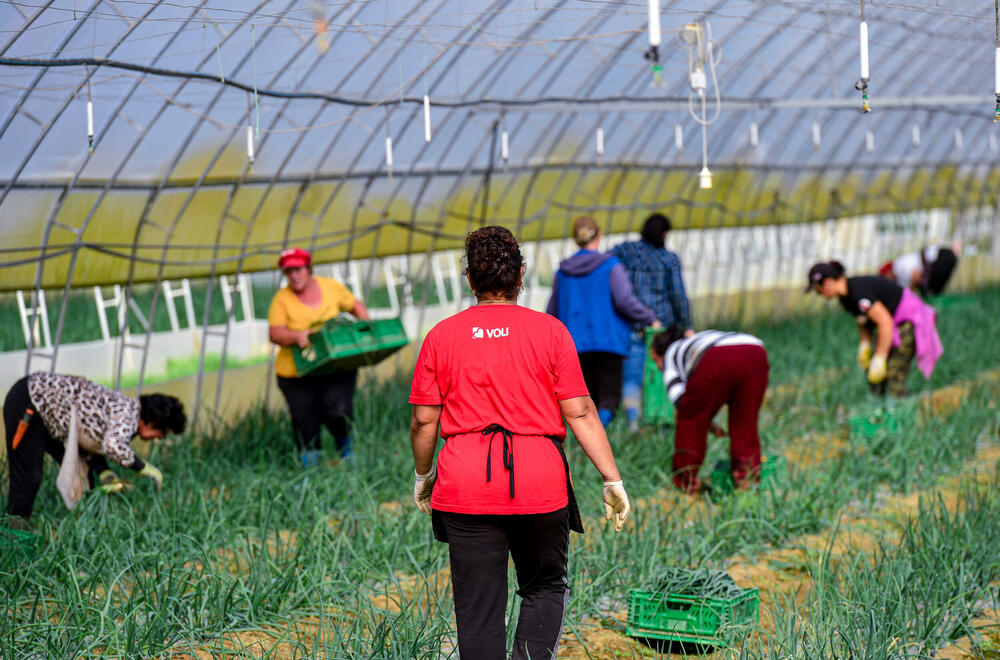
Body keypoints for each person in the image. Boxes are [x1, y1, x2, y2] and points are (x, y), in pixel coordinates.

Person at [409, 226, 631, 660]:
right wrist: (611, 479)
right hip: (539, 481)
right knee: (545, 586)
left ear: (471, 279)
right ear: (521, 276)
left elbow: (423, 419)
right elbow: (581, 411)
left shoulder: (441, 335)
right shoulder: (550, 332)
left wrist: (424, 474)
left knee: (477, 607)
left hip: (464, 484)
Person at [3, 372, 186, 528]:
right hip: (30, 401)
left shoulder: (127, 410)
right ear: (152, 421)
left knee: (84, 478)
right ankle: (16, 540)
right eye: (162, 432)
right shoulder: (128, 415)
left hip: (48, 415)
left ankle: (84, 530)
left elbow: (91, 441)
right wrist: (143, 468)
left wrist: (104, 472)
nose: (160, 438)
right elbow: (113, 445)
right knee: (28, 478)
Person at [546, 216, 659, 428]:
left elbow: (552, 312)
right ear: (599, 235)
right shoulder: (611, 266)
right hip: (609, 344)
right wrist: (650, 318)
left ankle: (583, 444)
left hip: (574, 347)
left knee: (586, 398)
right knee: (609, 398)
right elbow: (625, 301)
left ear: (575, 239)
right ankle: (599, 434)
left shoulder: (563, 272)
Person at [268, 248, 370, 467]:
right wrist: (296, 336)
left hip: (333, 366)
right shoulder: (282, 299)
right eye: (289, 272)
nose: (294, 276)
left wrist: (365, 329)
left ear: (308, 269)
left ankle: (346, 452)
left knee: (337, 410)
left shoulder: (330, 287)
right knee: (305, 418)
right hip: (296, 372)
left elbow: (356, 306)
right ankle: (311, 470)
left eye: (298, 270)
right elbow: (274, 333)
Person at [650, 325, 768, 493]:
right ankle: (747, 481)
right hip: (755, 351)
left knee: (689, 423)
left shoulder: (670, 354)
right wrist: (711, 424)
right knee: (745, 422)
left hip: (716, 356)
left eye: (656, 360)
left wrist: (705, 422)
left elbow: (685, 406)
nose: (659, 366)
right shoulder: (695, 342)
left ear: (662, 352)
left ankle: (686, 482)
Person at [807, 260, 943, 397]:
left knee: (893, 373)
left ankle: (900, 406)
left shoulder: (858, 291)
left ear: (828, 283)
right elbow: (864, 320)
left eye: (818, 291)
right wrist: (865, 345)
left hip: (909, 321)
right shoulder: (846, 298)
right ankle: (881, 407)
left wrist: (880, 356)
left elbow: (885, 322)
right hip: (895, 323)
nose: (820, 295)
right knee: (874, 375)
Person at [610, 213, 693, 431]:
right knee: (663, 376)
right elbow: (678, 295)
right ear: (665, 234)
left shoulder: (627, 252)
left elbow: (604, 260)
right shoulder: (669, 259)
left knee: (632, 378)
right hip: (662, 330)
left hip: (633, 326)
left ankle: (633, 422)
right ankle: (661, 423)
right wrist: (686, 325)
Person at [878, 243, 959, 297]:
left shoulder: (898, 267)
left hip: (941, 256)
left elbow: (916, 276)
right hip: (939, 259)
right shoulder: (898, 279)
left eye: (885, 276)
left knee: (931, 290)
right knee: (934, 291)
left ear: (888, 272)